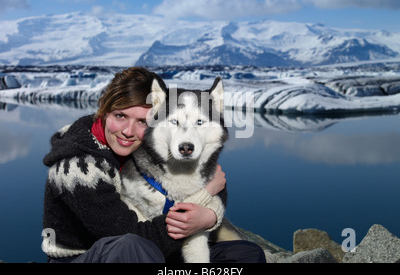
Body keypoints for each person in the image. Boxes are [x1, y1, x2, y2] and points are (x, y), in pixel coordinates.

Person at [42, 67, 266, 263]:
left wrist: (210, 214)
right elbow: (135, 236)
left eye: (141, 121)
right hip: (83, 257)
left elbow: (209, 179)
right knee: (131, 246)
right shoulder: (78, 168)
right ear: (103, 111)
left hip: (149, 249)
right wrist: (205, 203)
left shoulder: (137, 144)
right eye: (120, 116)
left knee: (245, 254)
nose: (128, 131)